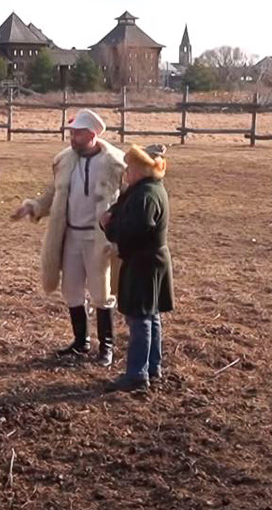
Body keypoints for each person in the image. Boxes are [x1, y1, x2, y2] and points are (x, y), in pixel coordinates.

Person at [12, 109, 126, 366]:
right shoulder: (64, 161)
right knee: (71, 290)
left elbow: (127, 198)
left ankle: (106, 347)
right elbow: (53, 194)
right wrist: (34, 207)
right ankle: (80, 342)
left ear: (93, 134)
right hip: (70, 235)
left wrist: (118, 224)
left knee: (102, 291)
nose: (72, 138)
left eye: (78, 133)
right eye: (71, 133)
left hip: (99, 239)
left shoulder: (115, 164)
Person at [100, 143, 173, 391]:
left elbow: (133, 231)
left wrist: (109, 227)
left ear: (141, 170)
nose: (126, 172)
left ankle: (137, 374)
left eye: (129, 167)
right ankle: (152, 367)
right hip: (149, 261)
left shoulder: (145, 195)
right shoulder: (144, 189)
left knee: (140, 317)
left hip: (143, 263)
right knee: (151, 315)